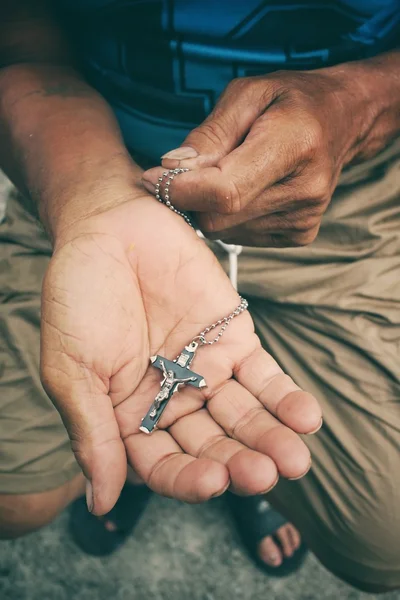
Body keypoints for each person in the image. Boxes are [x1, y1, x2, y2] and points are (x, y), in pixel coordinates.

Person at [0, 0, 399, 592]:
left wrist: (360, 101)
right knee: (14, 500)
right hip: (92, 172)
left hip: (344, 187)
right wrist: (87, 195)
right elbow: (19, 33)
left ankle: (259, 484)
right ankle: (165, 470)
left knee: (382, 544)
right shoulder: (168, 365)